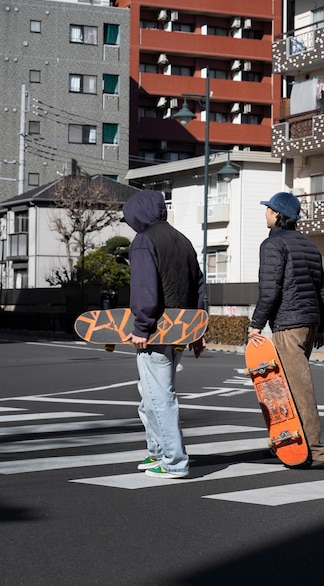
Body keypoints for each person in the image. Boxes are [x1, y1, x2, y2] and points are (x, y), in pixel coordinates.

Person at [122, 190, 205, 479]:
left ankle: (174, 461)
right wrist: (198, 330)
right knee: (150, 396)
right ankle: (158, 453)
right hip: (180, 329)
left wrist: (142, 327)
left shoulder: (145, 240)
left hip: (155, 331)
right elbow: (199, 286)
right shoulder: (183, 240)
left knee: (159, 397)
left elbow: (144, 289)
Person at [248, 191, 324, 467]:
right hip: (309, 323)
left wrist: (256, 324)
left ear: (278, 215)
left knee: (296, 388)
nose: (266, 213)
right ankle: (287, 444)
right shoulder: (308, 245)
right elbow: (322, 289)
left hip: (288, 324)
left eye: (269, 209)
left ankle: (315, 450)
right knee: (290, 387)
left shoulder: (272, 245)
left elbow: (269, 290)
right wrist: (322, 327)